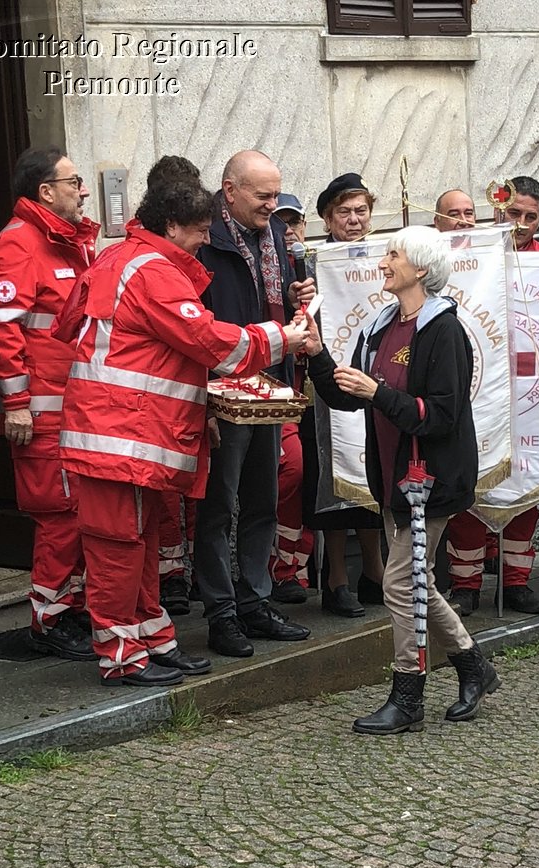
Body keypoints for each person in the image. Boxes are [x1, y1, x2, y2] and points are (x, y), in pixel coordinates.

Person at [55, 176, 309, 686]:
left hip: (124, 432)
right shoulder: (153, 270)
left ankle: (152, 637)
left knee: (141, 543)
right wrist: (284, 337)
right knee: (118, 549)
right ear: (171, 225)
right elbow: (210, 342)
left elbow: (71, 326)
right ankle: (123, 654)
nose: (202, 241)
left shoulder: (117, 259)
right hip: (120, 435)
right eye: (197, 231)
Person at [305, 227, 500, 734]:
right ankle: (473, 667)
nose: (384, 261)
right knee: (417, 581)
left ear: (420, 267)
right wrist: (318, 354)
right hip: (392, 478)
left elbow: (440, 415)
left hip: (429, 482)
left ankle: (407, 694)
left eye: (393, 254)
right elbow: (349, 396)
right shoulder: (381, 323)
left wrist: (378, 391)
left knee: (399, 583)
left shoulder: (444, 330)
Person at [194, 150, 315, 657]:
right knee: (218, 507)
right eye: (263, 195)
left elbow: (275, 309)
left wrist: (295, 295)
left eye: (276, 193)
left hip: (271, 389)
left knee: (263, 501)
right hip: (224, 395)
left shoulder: (277, 240)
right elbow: (197, 328)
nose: (273, 204)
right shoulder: (204, 245)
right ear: (230, 190)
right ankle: (221, 613)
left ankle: (254, 601)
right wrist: (200, 402)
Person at [0, 147, 98, 660]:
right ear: (45, 191)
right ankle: (48, 620)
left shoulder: (69, 243)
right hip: (42, 412)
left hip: (76, 409)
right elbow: (1, 331)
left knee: (81, 513)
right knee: (60, 516)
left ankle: (71, 609)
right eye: (74, 181)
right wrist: (17, 405)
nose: (84, 190)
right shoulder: (18, 245)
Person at [446, 175, 539, 616]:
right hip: (479, 388)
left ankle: (516, 582)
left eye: (531, 217)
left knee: (529, 482)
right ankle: (465, 584)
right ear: (499, 210)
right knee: (473, 482)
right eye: (514, 214)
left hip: (530, 390)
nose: (522, 223)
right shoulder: (470, 258)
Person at [309, 172, 386, 619]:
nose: (354, 220)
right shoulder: (312, 262)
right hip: (326, 382)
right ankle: (336, 576)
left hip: (373, 377)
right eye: (344, 212)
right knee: (331, 476)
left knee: (371, 469)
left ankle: (374, 570)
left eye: (361, 211)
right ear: (327, 217)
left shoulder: (383, 257)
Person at [142, 155, 203, 618]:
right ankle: (169, 579)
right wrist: (275, 340)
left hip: (180, 400)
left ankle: (181, 573)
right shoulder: (150, 267)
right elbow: (201, 334)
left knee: (192, 492)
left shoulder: (178, 260)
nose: (205, 238)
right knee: (157, 505)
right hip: (151, 410)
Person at [269, 191, 315, 605]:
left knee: (312, 478)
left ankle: (296, 570)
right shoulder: (262, 272)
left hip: (317, 398)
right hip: (276, 395)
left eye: (293, 223)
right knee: (291, 471)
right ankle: (281, 569)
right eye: (277, 223)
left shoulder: (316, 276)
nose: (287, 232)